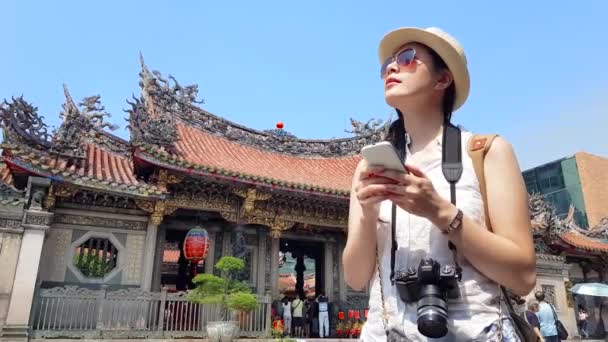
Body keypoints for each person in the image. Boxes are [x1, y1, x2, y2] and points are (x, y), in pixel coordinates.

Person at [343, 26, 537, 340]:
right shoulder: (370, 165)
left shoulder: (486, 152)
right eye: (386, 65)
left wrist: (439, 211)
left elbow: (523, 276)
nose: (392, 67)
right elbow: (354, 276)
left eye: (407, 58)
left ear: (443, 79)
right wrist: (366, 214)